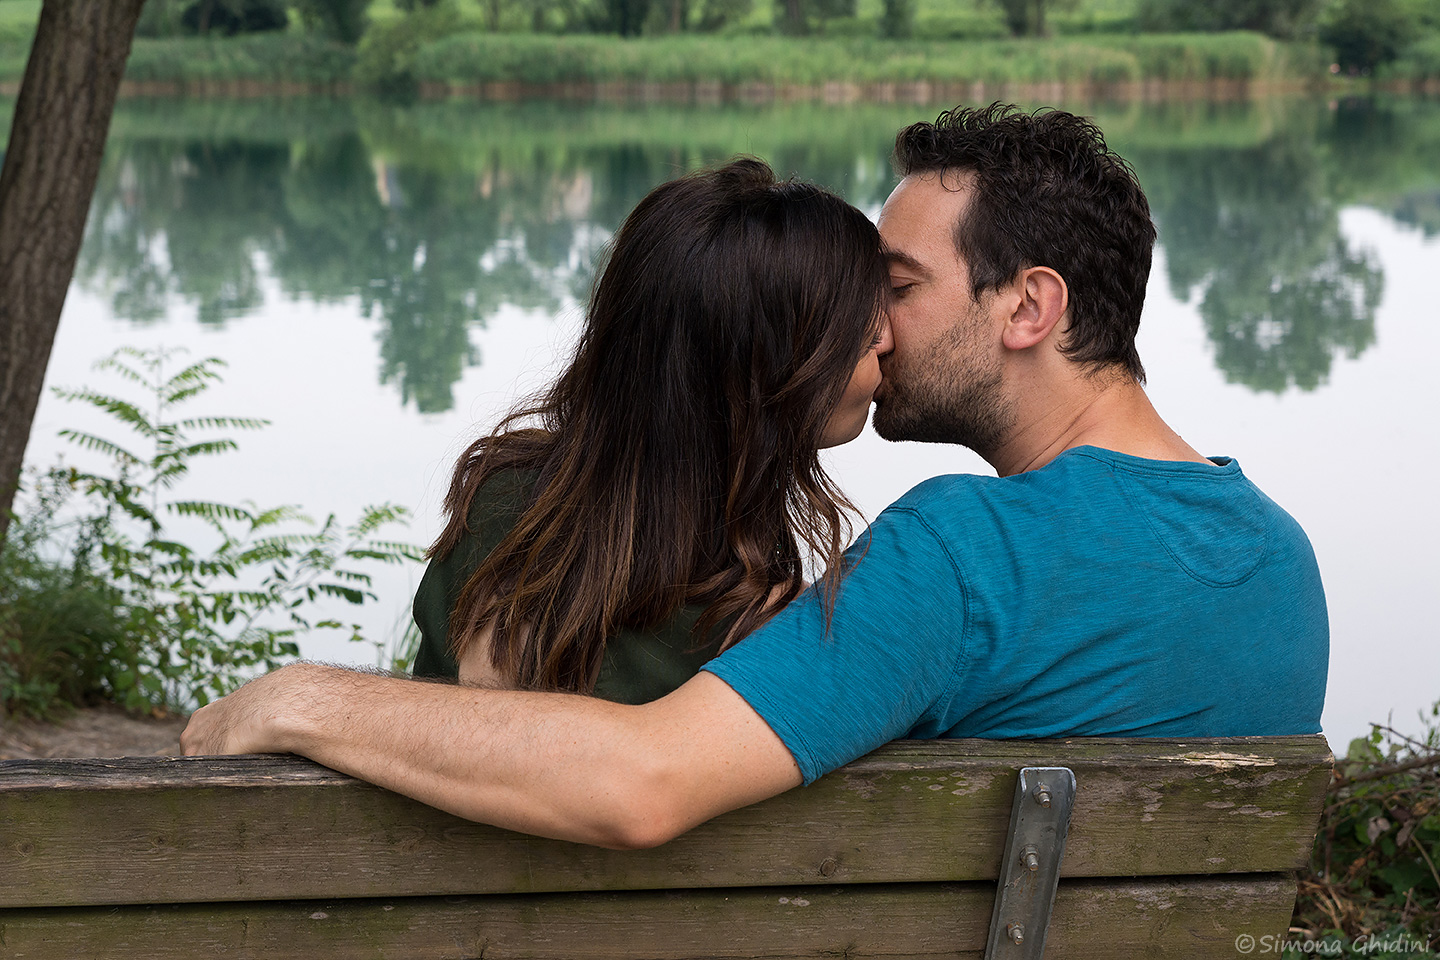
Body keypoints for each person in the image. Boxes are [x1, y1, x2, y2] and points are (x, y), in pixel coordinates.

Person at [181, 103, 1328, 852]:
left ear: (1027, 306)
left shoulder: (961, 558)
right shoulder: (1284, 561)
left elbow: (641, 783)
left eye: (900, 282)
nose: (871, 322)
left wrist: (306, 696)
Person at [408, 158, 891, 703]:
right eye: (865, 330)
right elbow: (485, 743)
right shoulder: (764, 625)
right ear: (762, 367)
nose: (888, 344)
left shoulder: (511, 505)